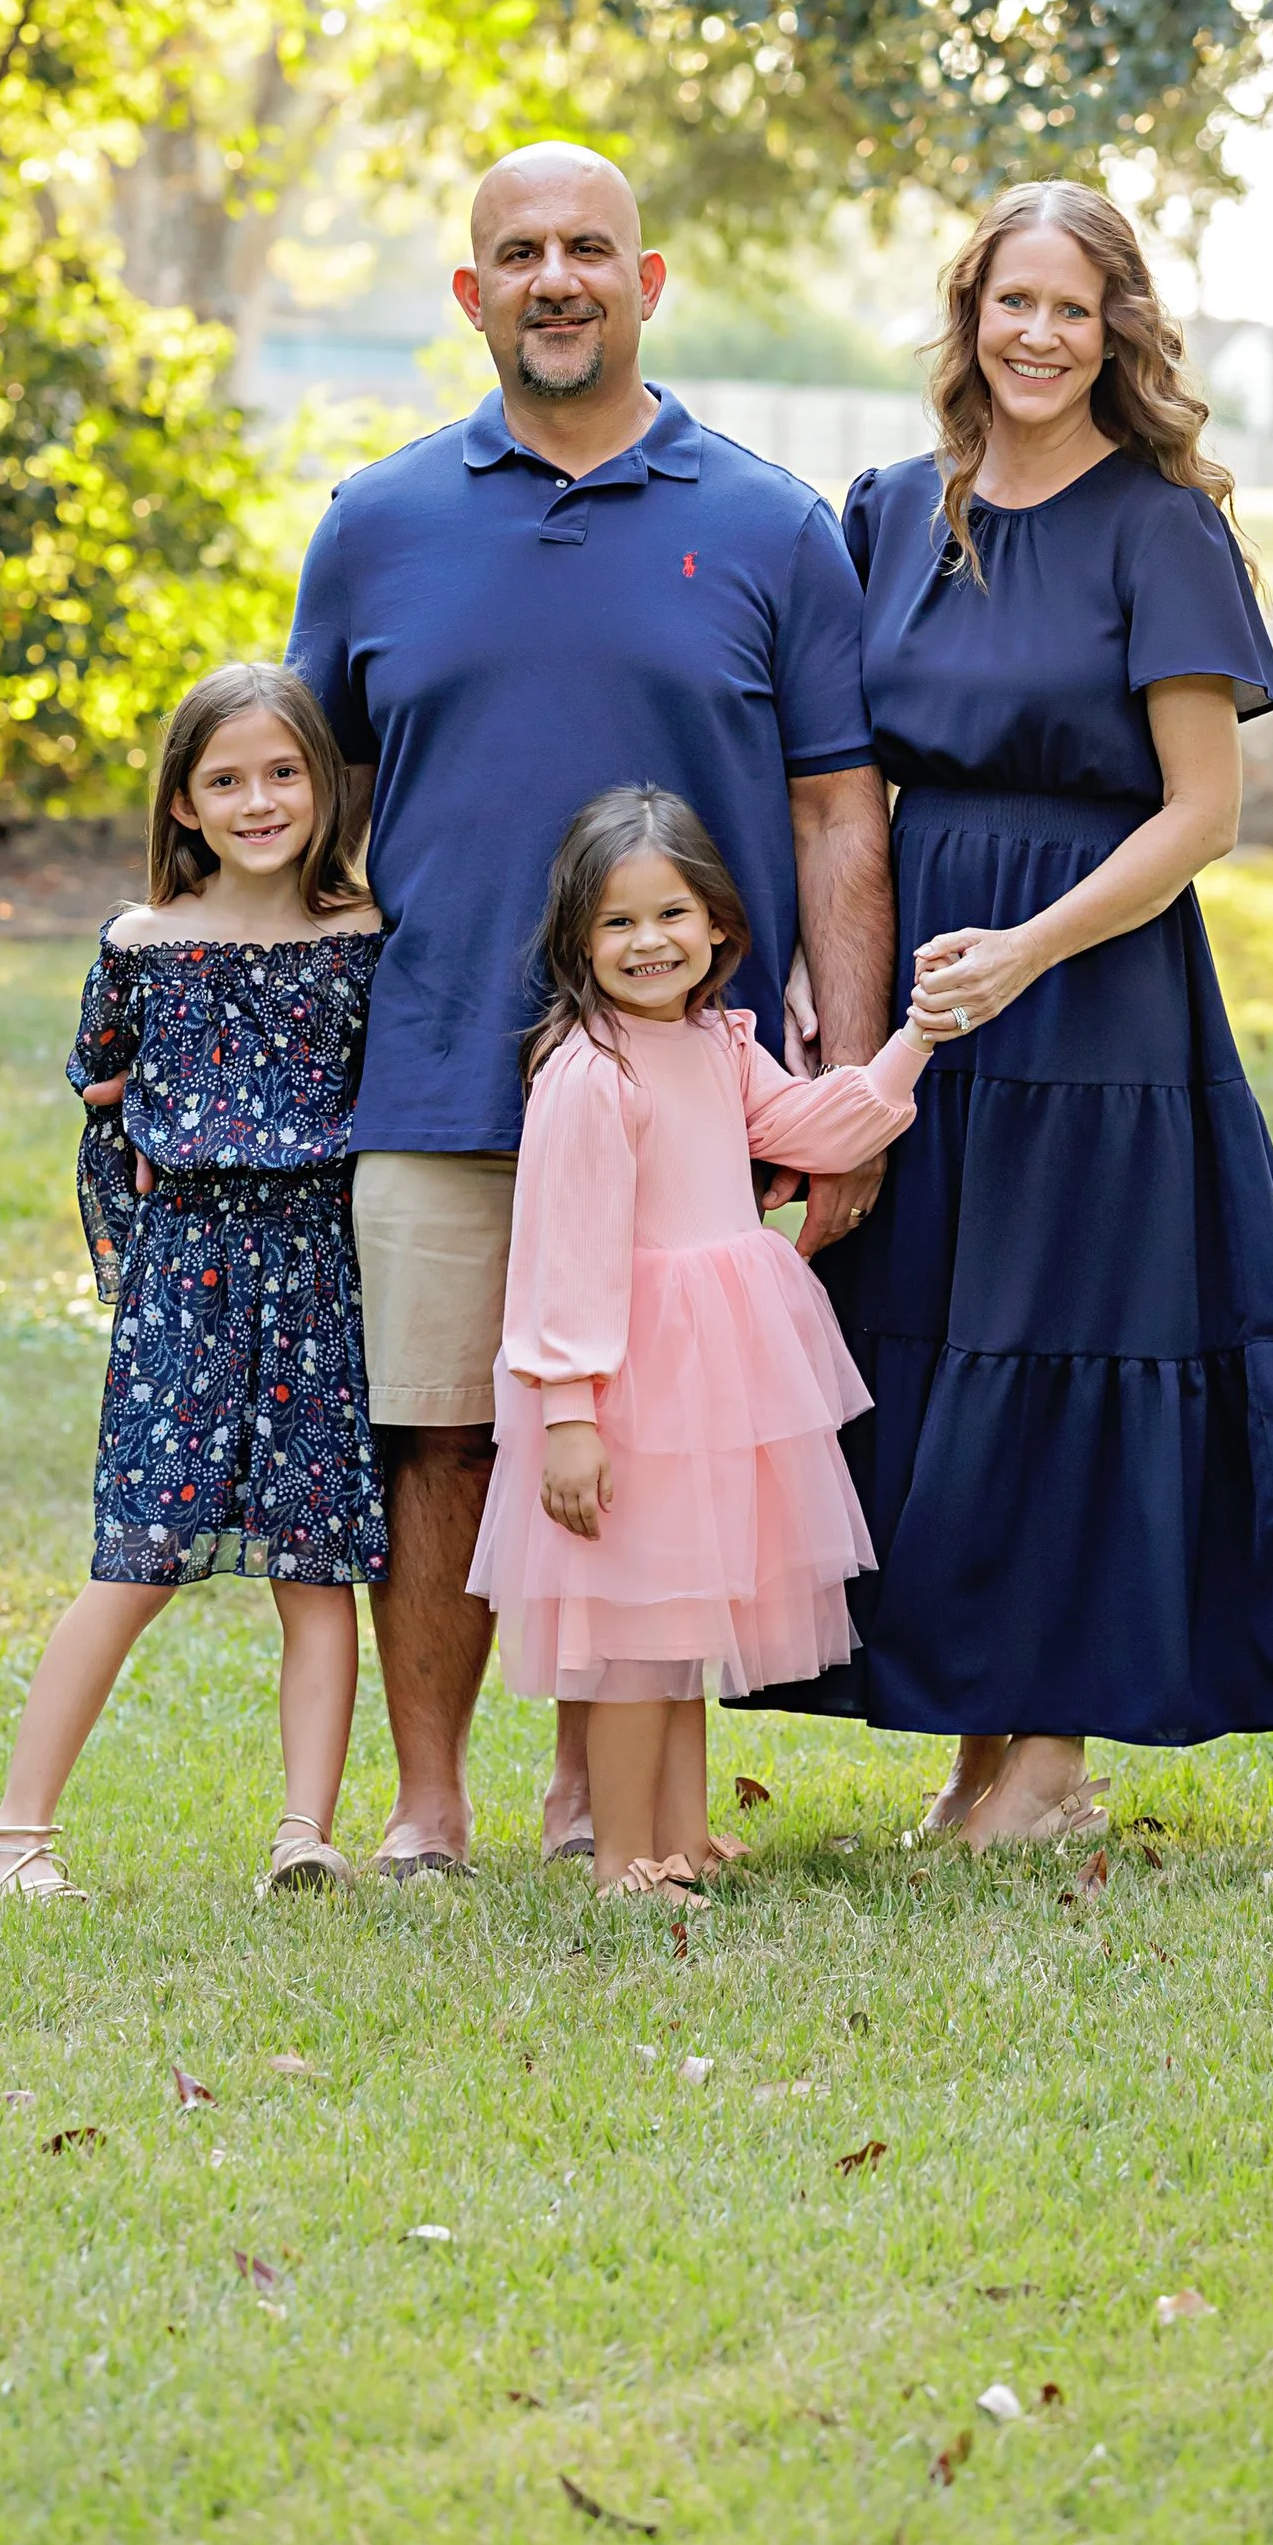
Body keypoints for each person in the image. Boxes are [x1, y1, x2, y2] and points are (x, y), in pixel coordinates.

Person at [287, 142, 895, 1877]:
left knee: (632, 1447)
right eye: (521, 253)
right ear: (473, 295)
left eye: (591, 249)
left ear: (649, 281)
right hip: (433, 1073)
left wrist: (840, 1078)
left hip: (686, 1102)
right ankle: (426, 1806)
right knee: (440, 1441)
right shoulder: (376, 524)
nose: (559, 277)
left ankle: (593, 1799)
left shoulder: (772, 524)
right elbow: (304, 808)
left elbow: (838, 811)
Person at [810, 181, 1273, 1847]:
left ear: (1118, 330)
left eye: (1074, 309)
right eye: (1013, 302)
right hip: (927, 990)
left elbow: (1199, 813)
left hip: (1095, 997)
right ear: (970, 315)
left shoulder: (1161, 525)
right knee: (938, 1337)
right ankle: (974, 1744)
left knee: (1070, 1340)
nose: (1038, 334)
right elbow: (835, 777)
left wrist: (1029, 950)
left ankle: (1056, 1758)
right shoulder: (886, 512)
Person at [0, 662, 385, 1902]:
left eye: (284, 773)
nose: (259, 800)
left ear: (323, 784)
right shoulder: (143, 944)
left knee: (317, 1566)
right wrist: (135, 1191)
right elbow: (98, 1083)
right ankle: (13, 1836)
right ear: (184, 804)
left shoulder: (363, 936)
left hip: (318, 1278)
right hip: (185, 1285)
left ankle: (304, 1834)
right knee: (136, 1558)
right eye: (226, 779)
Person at [468, 786, 937, 1891]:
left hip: (713, 1370)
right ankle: (623, 1855)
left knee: (679, 1629)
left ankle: (677, 1836)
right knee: (636, 1639)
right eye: (618, 923)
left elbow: (804, 1127)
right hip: (628, 1379)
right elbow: (563, 1255)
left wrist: (916, 1038)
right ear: (578, 941)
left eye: (670, 915)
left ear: (719, 924)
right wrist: (570, 1413)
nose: (647, 943)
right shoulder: (592, 1071)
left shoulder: (719, 1042)